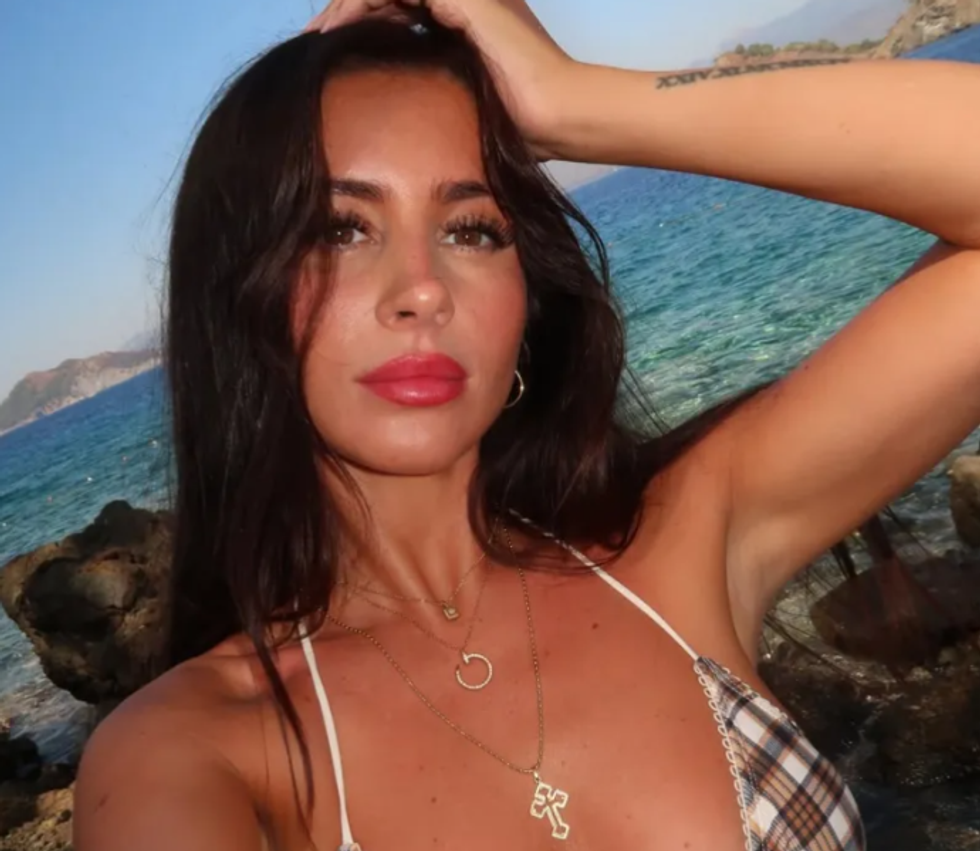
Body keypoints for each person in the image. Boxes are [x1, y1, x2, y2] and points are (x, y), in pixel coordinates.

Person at [73, 1, 980, 849]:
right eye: (340, 229)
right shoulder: (190, 752)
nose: (423, 288)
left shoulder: (674, 543)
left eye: (471, 229)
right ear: (241, 301)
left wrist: (576, 102)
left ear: (525, 301)